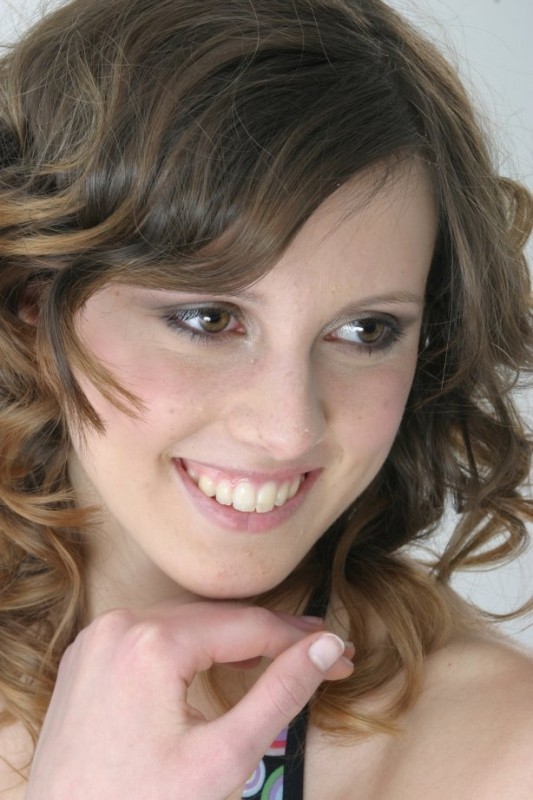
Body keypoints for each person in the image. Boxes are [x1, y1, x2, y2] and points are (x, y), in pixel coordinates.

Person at [0, 0, 532, 797]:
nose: (288, 429)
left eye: (365, 331)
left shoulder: (498, 753)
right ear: (32, 298)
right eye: (208, 319)